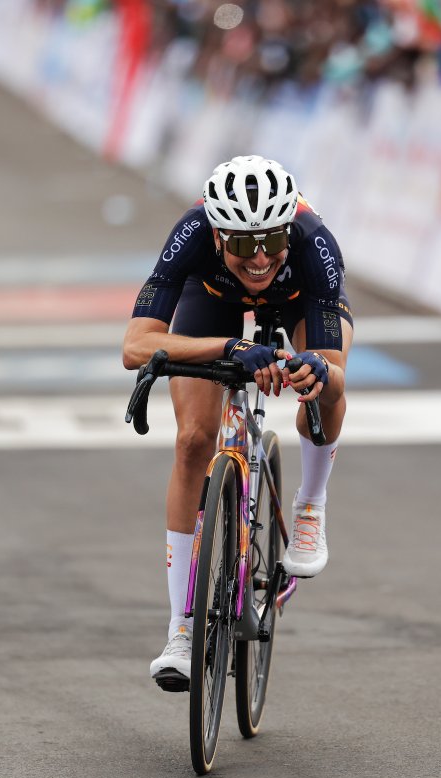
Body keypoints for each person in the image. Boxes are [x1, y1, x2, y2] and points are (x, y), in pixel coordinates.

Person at [122, 155, 353, 691]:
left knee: (324, 393)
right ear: (218, 236)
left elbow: (336, 373)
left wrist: (318, 368)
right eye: (244, 245)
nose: (260, 258)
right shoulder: (192, 233)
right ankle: (182, 630)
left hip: (299, 302)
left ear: (287, 232)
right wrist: (230, 347)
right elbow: (136, 345)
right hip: (213, 301)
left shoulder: (315, 244)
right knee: (192, 442)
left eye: (271, 242)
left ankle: (310, 507)